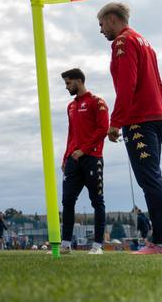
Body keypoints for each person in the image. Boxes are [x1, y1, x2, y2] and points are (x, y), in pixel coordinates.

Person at [98, 2, 162, 254]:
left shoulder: (123, 42)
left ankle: (161, 242)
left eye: (101, 24)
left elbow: (126, 84)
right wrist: (156, 110)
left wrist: (116, 121)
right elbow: (159, 84)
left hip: (139, 119)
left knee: (149, 179)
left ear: (112, 19)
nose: (101, 30)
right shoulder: (145, 42)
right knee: (156, 177)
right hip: (155, 116)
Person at [59, 68, 108, 255]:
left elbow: (103, 129)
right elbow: (71, 134)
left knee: (97, 201)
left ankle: (97, 246)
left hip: (92, 158)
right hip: (73, 160)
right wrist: (66, 157)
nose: (66, 87)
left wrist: (84, 150)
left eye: (68, 83)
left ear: (79, 81)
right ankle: (65, 244)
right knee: (67, 200)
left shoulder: (97, 102)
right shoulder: (71, 106)